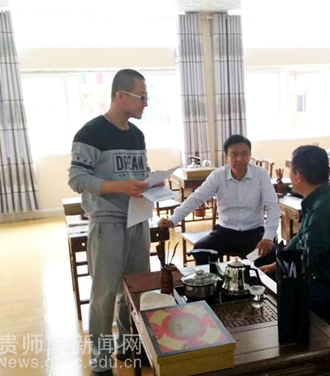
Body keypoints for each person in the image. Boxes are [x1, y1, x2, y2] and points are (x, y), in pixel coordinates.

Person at [68, 69, 155, 376]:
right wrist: (120, 186)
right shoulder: (91, 133)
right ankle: (100, 359)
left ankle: (129, 346)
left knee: (134, 290)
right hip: (107, 221)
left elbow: (140, 172)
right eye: (142, 97)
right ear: (120, 96)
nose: (146, 103)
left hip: (137, 218)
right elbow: (77, 179)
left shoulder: (137, 135)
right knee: (105, 293)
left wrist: (150, 181)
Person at [259, 145, 330, 318]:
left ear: (299, 175)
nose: (290, 176)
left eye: (291, 171)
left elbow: (306, 259)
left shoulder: (324, 208)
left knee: (277, 295)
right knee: (268, 280)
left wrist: (282, 273)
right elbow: (300, 239)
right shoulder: (322, 198)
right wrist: (276, 266)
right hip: (329, 281)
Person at [158, 135, 279, 267]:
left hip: (253, 232)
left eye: (244, 154)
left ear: (250, 155)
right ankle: (213, 280)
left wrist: (268, 237)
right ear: (226, 157)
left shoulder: (260, 175)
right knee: (201, 251)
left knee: (267, 253)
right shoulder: (218, 175)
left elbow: (272, 206)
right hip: (224, 232)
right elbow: (197, 198)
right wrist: (173, 219)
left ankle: (254, 279)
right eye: (234, 154)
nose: (240, 159)